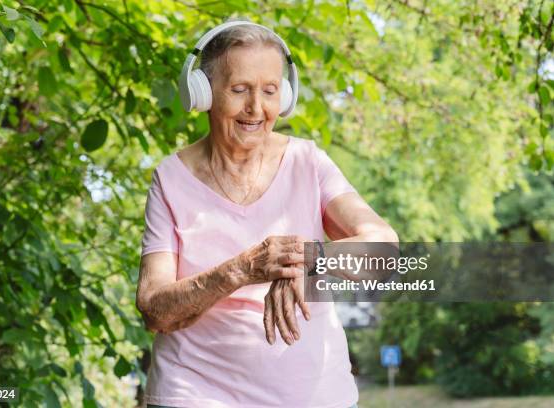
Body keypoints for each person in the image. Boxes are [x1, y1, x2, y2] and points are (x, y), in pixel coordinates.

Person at [136, 19, 398, 408]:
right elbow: (154, 308)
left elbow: (384, 250)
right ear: (204, 94)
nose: (256, 108)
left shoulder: (309, 163)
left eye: (270, 91)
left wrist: (309, 257)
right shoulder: (170, 179)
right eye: (239, 90)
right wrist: (243, 268)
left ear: (285, 96)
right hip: (193, 392)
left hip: (312, 394)